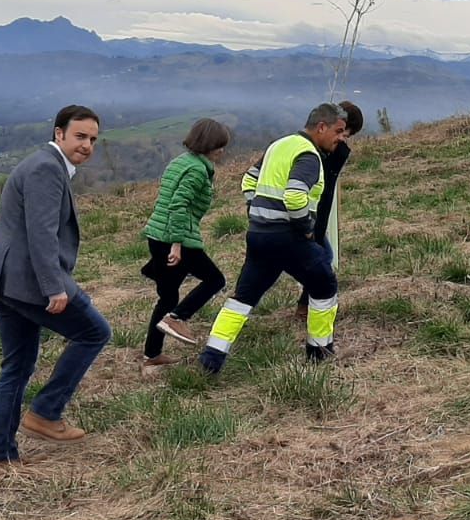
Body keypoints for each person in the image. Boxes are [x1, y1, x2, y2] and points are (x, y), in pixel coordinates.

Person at [0, 106, 112, 464]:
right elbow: (42, 236)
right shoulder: (46, 169)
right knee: (95, 332)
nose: (87, 145)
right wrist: (55, 288)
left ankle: (1, 455)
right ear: (59, 133)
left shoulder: (44, 165)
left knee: (17, 366)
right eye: (80, 136)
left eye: (93, 139)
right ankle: (46, 412)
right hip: (25, 280)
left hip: (5, 280)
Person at [198, 103, 348, 376]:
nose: (341, 138)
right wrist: (305, 228)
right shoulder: (309, 154)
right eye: (338, 131)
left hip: (258, 235)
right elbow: (294, 195)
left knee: (243, 298)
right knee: (325, 283)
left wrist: (257, 211)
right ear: (321, 127)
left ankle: (211, 359)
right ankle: (320, 352)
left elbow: (248, 180)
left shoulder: (278, 145)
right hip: (288, 237)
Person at [140, 118, 232, 370]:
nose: (222, 151)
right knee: (215, 280)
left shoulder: (180, 161)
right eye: (220, 146)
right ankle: (178, 318)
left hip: (158, 236)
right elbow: (178, 205)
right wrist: (178, 244)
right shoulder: (197, 170)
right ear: (209, 145)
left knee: (167, 297)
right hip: (176, 238)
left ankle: (152, 355)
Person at [297, 100, 364, 317]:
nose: (343, 139)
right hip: (311, 216)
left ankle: (307, 305)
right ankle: (315, 308)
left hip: (311, 216)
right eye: (345, 133)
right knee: (323, 260)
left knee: (323, 258)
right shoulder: (329, 151)